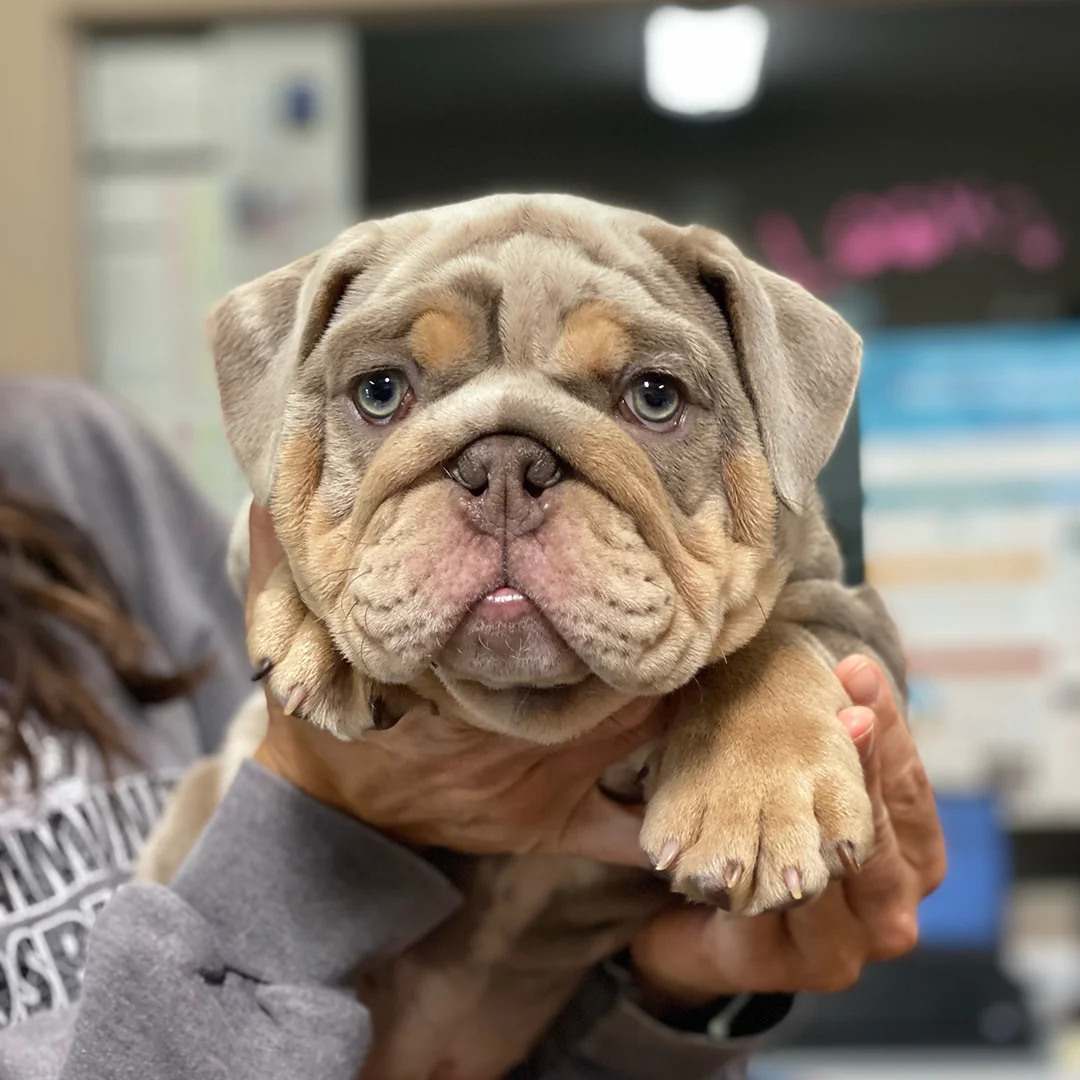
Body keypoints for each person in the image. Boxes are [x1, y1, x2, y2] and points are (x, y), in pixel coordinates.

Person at [0, 375, 945, 1079]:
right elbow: (295, 777)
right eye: (385, 391)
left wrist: (657, 993)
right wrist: (323, 808)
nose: (504, 485)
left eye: (649, 395)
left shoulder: (63, 461)